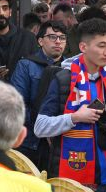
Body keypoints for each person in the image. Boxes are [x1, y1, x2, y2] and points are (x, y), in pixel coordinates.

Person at [35, 19, 106, 192]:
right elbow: (40, 127)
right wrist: (74, 118)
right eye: (101, 46)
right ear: (83, 47)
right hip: (72, 183)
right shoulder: (64, 79)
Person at [10, 20, 68, 169]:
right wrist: (44, 128)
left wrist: (55, 128)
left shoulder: (71, 67)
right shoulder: (26, 65)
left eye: (62, 38)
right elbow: (18, 106)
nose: (58, 42)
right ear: (40, 41)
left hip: (62, 140)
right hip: (30, 141)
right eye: (52, 37)